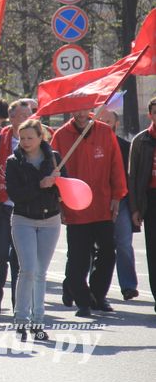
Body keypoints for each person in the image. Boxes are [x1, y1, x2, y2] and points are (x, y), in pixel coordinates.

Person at [52, 109, 126, 317]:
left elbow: (116, 165)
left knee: (107, 253)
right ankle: (82, 300)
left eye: (84, 109)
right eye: (76, 110)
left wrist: (117, 196)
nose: (80, 114)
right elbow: (54, 170)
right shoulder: (61, 136)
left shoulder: (104, 132)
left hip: (102, 205)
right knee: (78, 257)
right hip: (75, 206)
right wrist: (60, 202)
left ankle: (98, 295)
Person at [5, 119, 66, 341]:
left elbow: (67, 188)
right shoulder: (13, 162)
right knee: (28, 269)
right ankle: (21, 319)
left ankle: (38, 323)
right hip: (24, 220)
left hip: (50, 220)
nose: (26, 142)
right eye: (22, 138)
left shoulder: (54, 158)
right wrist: (40, 184)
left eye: (30, 137)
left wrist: (59, 184)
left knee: (41, 272)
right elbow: (15, 194)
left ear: (41, 137)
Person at [0, 99, 32, 316]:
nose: (27, 120)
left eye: (29, 115)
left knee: (21, 260)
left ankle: (19, 306)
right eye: (22, 116)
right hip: (1, 208)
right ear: (11, 119)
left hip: (27, 210)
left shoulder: (39, 141)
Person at [100, 110, 138, 300]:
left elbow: (132, 177)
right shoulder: (91, 145)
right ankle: (94, 288)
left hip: (121, 200)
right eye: (101, 120)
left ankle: (128, 286)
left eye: (109, 121)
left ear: (116, 124)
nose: (105, 124)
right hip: (98, 202)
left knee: (124, 244)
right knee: (96, 246)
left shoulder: (126, 147)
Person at [129, 96, 156, 314]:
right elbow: (133, 176)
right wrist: (135, 208)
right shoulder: (141, 141)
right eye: (155, 112)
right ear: (150, 115)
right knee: (153, 251)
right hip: (150, 199)